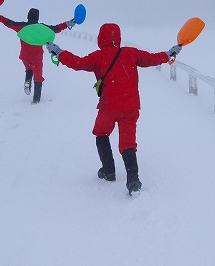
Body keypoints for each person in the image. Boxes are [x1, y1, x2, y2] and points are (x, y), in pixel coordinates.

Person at [45, 23, 182, 195]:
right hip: (131, 106)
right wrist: (170, 53)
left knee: (101, 133)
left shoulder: (99, 56)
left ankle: (108, 170)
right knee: (128, 143)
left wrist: (58, 51)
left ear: (100, 38)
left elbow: (77, 63)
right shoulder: (131, 53)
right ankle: (133, 180)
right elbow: (153, 58)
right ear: (118, 38)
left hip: (109, 106)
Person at [0, 7, 75, 104]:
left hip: (24, 56)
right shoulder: (42, 28)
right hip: (37, 57)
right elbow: (56, 28)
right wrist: (68, 23)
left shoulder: (22, 26)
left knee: (29, 68)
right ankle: (36, 100)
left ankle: (27, 81)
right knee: (38, 77)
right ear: (37, 18)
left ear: (28, 16)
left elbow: (8, 22)